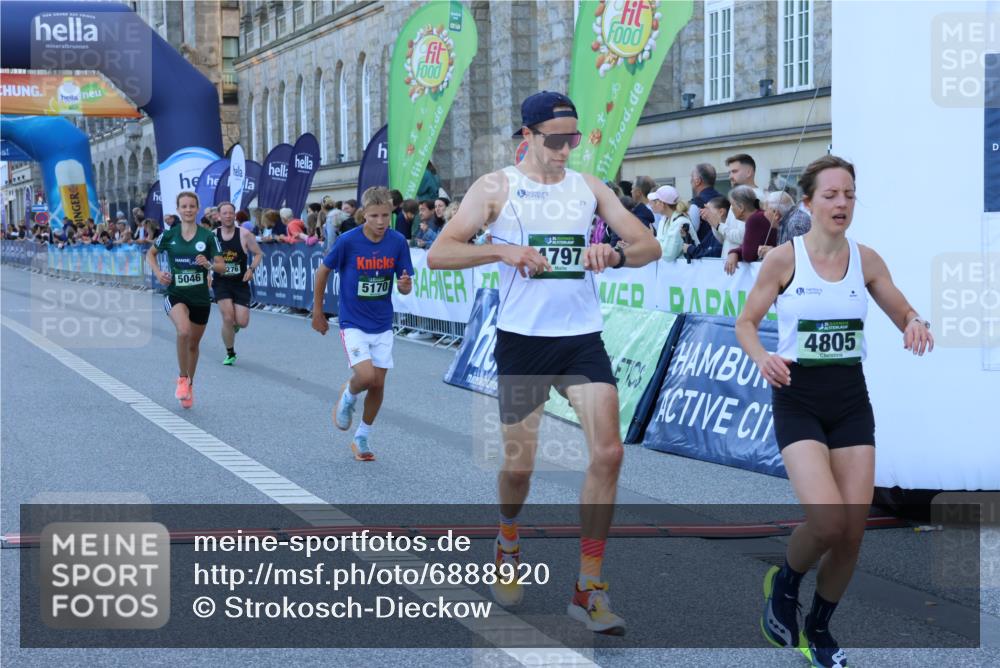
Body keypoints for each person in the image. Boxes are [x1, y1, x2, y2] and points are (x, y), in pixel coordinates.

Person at [426, 90, 661, 635]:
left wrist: (615, 254)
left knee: (608, 451)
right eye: (555, 140)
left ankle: (589, 586)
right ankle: (508, 539)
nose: (565, 149)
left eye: (573, 139)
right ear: (527, 136)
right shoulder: (496, 188)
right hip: (524, 341)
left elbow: (648, 244)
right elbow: (441, 253)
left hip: (581, 339)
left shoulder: (588, 187)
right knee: (520, 468)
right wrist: (502, 251)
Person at [735, 155, 933, 668]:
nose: (842, 203)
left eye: (848, 194)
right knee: (826, 522)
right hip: (798, 396)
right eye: (831, 195)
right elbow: (746, 324)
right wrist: (762, 358)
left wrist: (915, 322)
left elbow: (900, 307)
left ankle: (819, 628)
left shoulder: (866, 259)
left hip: (849, 399)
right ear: (808, 202)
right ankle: (785, 579)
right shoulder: (784, 259)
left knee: (852, 529)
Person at [311, 186, 413, 462]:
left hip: (382, 323)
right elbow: (323, 272)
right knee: (366, 377)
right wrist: (317, 311)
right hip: (353, 321)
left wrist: (405, 285)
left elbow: (405, 286)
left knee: (378, 384)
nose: (381, 222)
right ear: (363, 215)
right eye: (375, 216)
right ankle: (348, 396)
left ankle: (362, 437)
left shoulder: (397, 242)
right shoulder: (348, 241)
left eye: (386, 215)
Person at [147, 191, 225, 409]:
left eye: (192, 206)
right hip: (176, 294)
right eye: (184, 206)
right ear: (178, 209)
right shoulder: (169, 235)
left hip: (200, 297)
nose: (188, 210)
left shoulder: (208, 236)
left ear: (198, 209)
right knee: (183, 331)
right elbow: (150, 254)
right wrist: (158, 273)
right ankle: (182, 378)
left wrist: (209, 265)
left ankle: (190, 384)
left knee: (193, 344)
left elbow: (222, 266)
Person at [212, 201, 263, 366]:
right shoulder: (212, 235)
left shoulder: (245, 234)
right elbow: (205, 257)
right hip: (221, 282)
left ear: (235, 215)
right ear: (219, 216)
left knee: (242, 322)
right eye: (224, 213)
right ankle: (230, 352)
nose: (228, 216)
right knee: (227, 317)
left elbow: (258, 254)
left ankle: (233, 327)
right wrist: (207, 274)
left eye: (230, 213)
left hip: (240, 283)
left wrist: (251, 269)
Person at [724, 185, 775, 275]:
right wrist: (734, 252)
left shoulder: (754, 220)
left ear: (741, 207)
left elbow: (748, 255)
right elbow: (750, 246)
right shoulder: (760, 215)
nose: (731, 208)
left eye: (732, 205)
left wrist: (734, 252)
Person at [648, 185, 696, 261]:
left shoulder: (680, 222)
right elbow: (660, 248)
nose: (652, 205)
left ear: (662, 204)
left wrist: (650, 240)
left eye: (655, 202)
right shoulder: (665, 219)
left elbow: (667, 255)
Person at [683, 196, 727, 261]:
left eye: (708, 209)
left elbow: (716, 253)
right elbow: (699, 249)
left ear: (721, 212)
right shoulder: (712, 232)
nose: (702, 212)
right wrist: (686, 237)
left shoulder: (727, 231)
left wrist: (691, 249)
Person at [688, 162, 723, 241]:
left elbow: (690, 235)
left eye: (691, 177)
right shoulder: (726, 200)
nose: (690, 180)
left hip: (703, 252)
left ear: (698, 181)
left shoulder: (695, 205)